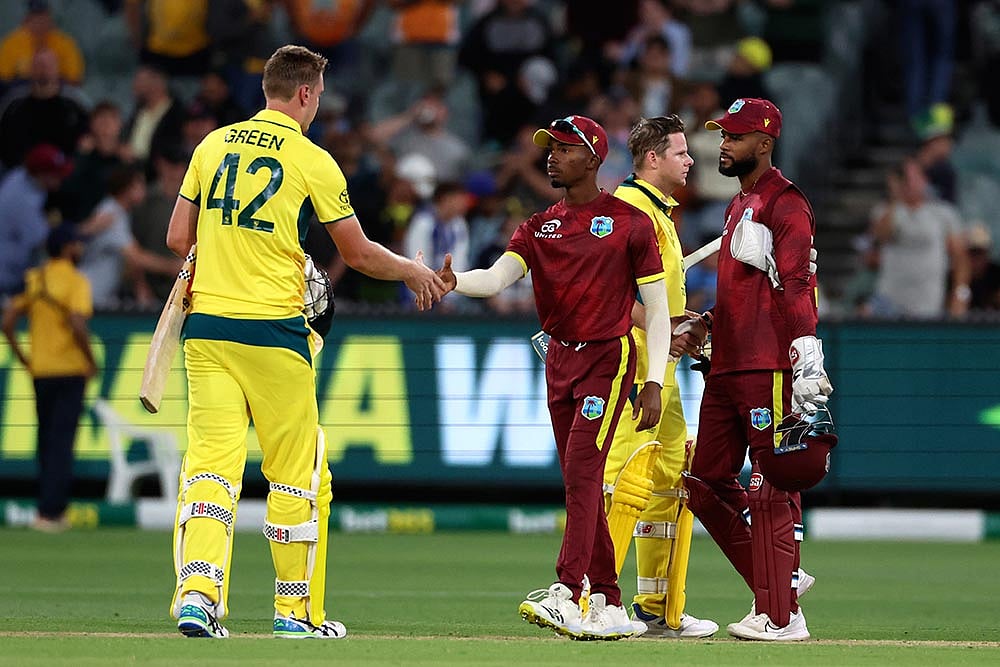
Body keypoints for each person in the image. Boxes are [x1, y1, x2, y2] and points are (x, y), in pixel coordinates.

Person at [164, 44, 445, 639]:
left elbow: (176, 237)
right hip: (274, 331)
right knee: (296, 474)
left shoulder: (211, 145)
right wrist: (414, 272)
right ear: (307, 94)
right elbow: (359, 254)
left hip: (207, 329)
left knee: (210, 472)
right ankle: (293, 614)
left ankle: (197, 597)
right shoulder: (313, 159)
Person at [435, 114, 671, 640]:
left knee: (584, 471)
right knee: (579, 479)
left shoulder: (630, 223)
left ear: (593, 158)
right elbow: (498, 278)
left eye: (564, 148)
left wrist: (652, 380)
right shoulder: (539, 226)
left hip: (607, 361)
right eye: (550, 147)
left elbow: (655, 310)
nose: (551, 155)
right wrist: (455, 282)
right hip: (558, 361)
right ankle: (609, 603)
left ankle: (568, 591)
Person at [669, 98, 835, 641]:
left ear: (764, 144)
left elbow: (798, 286)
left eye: (735, 137)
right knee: (704, 483)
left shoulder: (787, 204)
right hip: (728, 364)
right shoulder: (739, 203)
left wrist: (806, 354)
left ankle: (780, 615)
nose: (723, 145)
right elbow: (744, 292)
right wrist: (707, 323)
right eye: (722, 135)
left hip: (768, 366)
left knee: (770, 486)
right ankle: (781, 582)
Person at [601, 114, 718, 639]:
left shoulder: (659, 214)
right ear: (653, 159)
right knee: (620, 480)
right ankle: (591, 598)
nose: (691, 160)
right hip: (632, 367)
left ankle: (653, 607)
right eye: (681, 152)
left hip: (660, 368)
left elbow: (656, 301)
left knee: (670, 481)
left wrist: (679, 328)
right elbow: (608, 293)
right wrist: (660, 333)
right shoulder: (628, 210)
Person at [1, 224, 95, 533]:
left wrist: (24, 356)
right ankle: (52, 512)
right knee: (62, 441)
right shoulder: (77, 282)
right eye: (76, 245)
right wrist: (90, 360)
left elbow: (8, 322)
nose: (80, 249)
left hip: (41, 370)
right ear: (68, 248)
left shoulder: (35, 279)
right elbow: (79, 324)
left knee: (45, 440)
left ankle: (46, 506)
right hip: (69, 370)